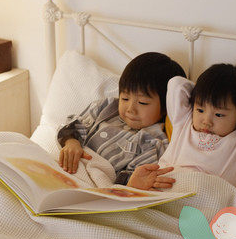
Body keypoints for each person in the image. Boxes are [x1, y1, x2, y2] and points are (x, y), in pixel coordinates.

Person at [127, 63, 236, 190]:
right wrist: (203, 92)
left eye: (219, 115)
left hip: (204, 195)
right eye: (200, 110)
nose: (206, 121)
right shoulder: (184, 122)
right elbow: (176, 84)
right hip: (160, 187)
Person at [57, 52, 186, 185]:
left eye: (142, 102)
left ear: (166, 107)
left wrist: (132, 182)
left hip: (95, 183)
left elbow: (133, 179)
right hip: (66, 167)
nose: (130, 108)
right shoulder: (107, 107)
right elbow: (73, 124)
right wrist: (71, 142)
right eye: (125, 98)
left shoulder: (154, 141)